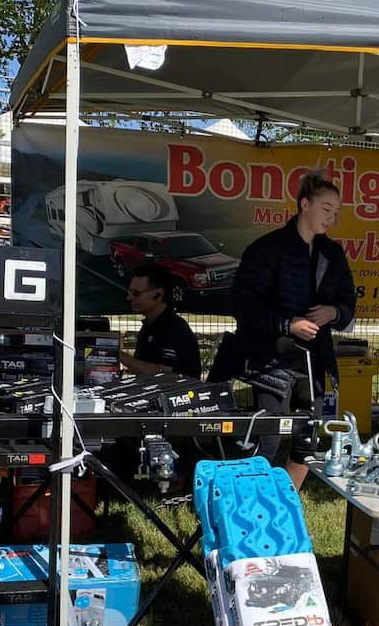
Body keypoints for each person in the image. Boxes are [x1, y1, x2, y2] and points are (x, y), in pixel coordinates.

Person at [228, 171, 356, 489]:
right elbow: (242, 306)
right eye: (326, 208)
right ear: (304, 205)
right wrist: (288, 324)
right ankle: (244, 508)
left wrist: (334, 312)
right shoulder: (267, 249)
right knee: (266, 439)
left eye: (336, 211)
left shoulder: (334, 254)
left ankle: (285, 505)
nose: (332, 217)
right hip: (270, 360)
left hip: (316, 362)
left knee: (308, 439)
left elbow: (348, 304)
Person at [119, 263, 202, 378]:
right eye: (129, 292)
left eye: (136, 293)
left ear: (158, 295)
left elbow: (165, 375)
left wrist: (119, 355)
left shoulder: (175, 329)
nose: (129, 298)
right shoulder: (149, 326)